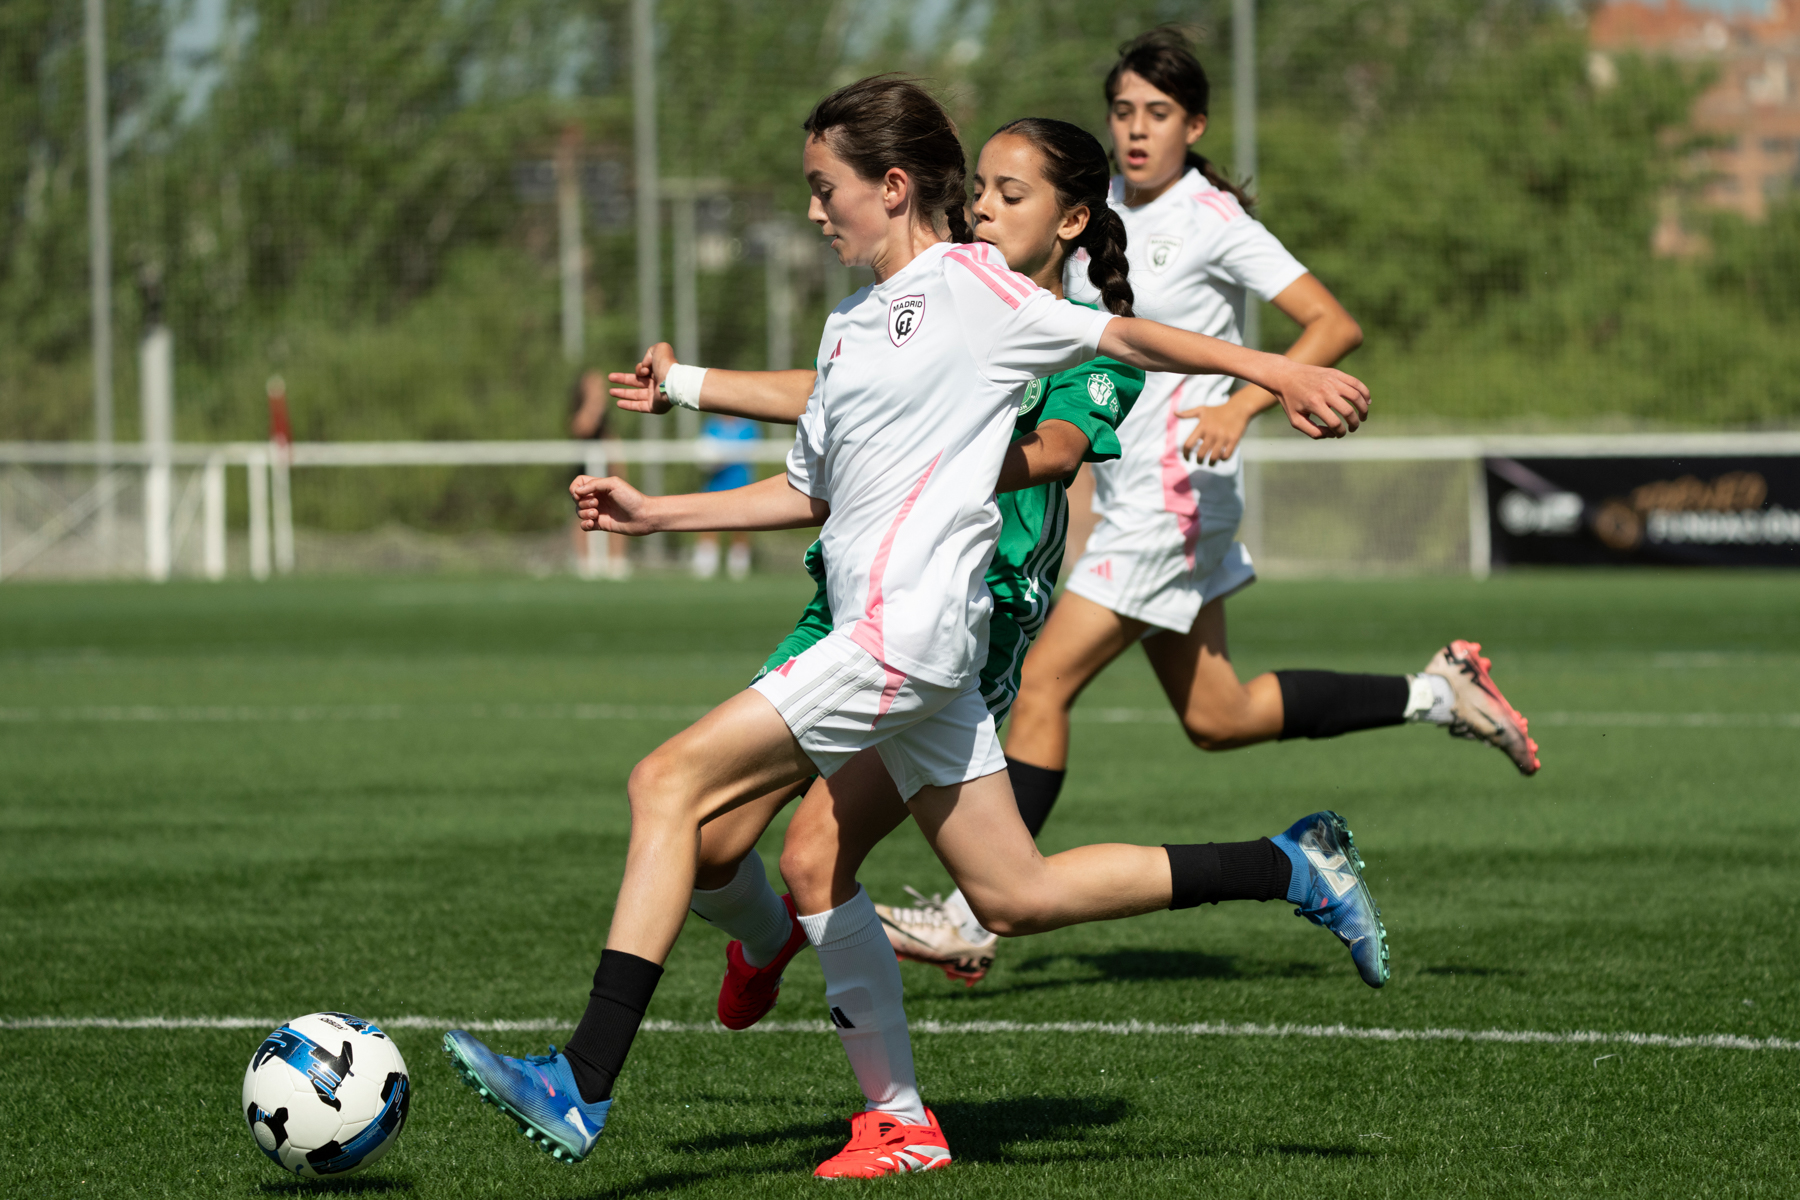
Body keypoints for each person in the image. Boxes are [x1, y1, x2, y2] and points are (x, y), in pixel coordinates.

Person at [440, 75, 1375, 1177]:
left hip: (903, 637)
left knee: (667, 786)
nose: (811, 210)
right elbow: (814, 487)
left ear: (891, 187)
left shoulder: (980, 291)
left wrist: (1276, 369)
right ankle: (1282, 869)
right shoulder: (848, 326)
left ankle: (582, 1081)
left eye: (822, 187)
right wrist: (659, 513)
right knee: (1013, 894)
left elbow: (1127, 338)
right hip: (910, 646)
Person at [872, 29, 1540, 985]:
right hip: (1142, 498)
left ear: (1195, 125)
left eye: (1158, 113)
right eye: (1123, 111)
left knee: (1044, 685)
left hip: (1178, 497)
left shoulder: (1212, 217)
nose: (1137, 130)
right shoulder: (1089, 211)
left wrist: (1241, 404)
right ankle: (1441, 693)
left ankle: (971, 915)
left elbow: (1332, 323)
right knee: (1219, 714)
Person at [568, 369, 630, 579]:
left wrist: (619, 470)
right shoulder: (584, 411)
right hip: (584, 473)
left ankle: (616, 564)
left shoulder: (606, 417)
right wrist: (593, 402)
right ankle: (586, 565)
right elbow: (581, 428)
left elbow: (612, 443)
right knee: (583, 514)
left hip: (606, 474)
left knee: (617, 513)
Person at [691, 414, 758, 579]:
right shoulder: (711, 424)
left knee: (741, 525)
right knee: (709, 522)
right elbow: (704, 452)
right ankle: (706, 563)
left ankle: (738, 565)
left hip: (741, 484)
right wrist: (712, 461)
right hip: (715, 484)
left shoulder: (748, 426)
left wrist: (723, 457)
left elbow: (751, 451)